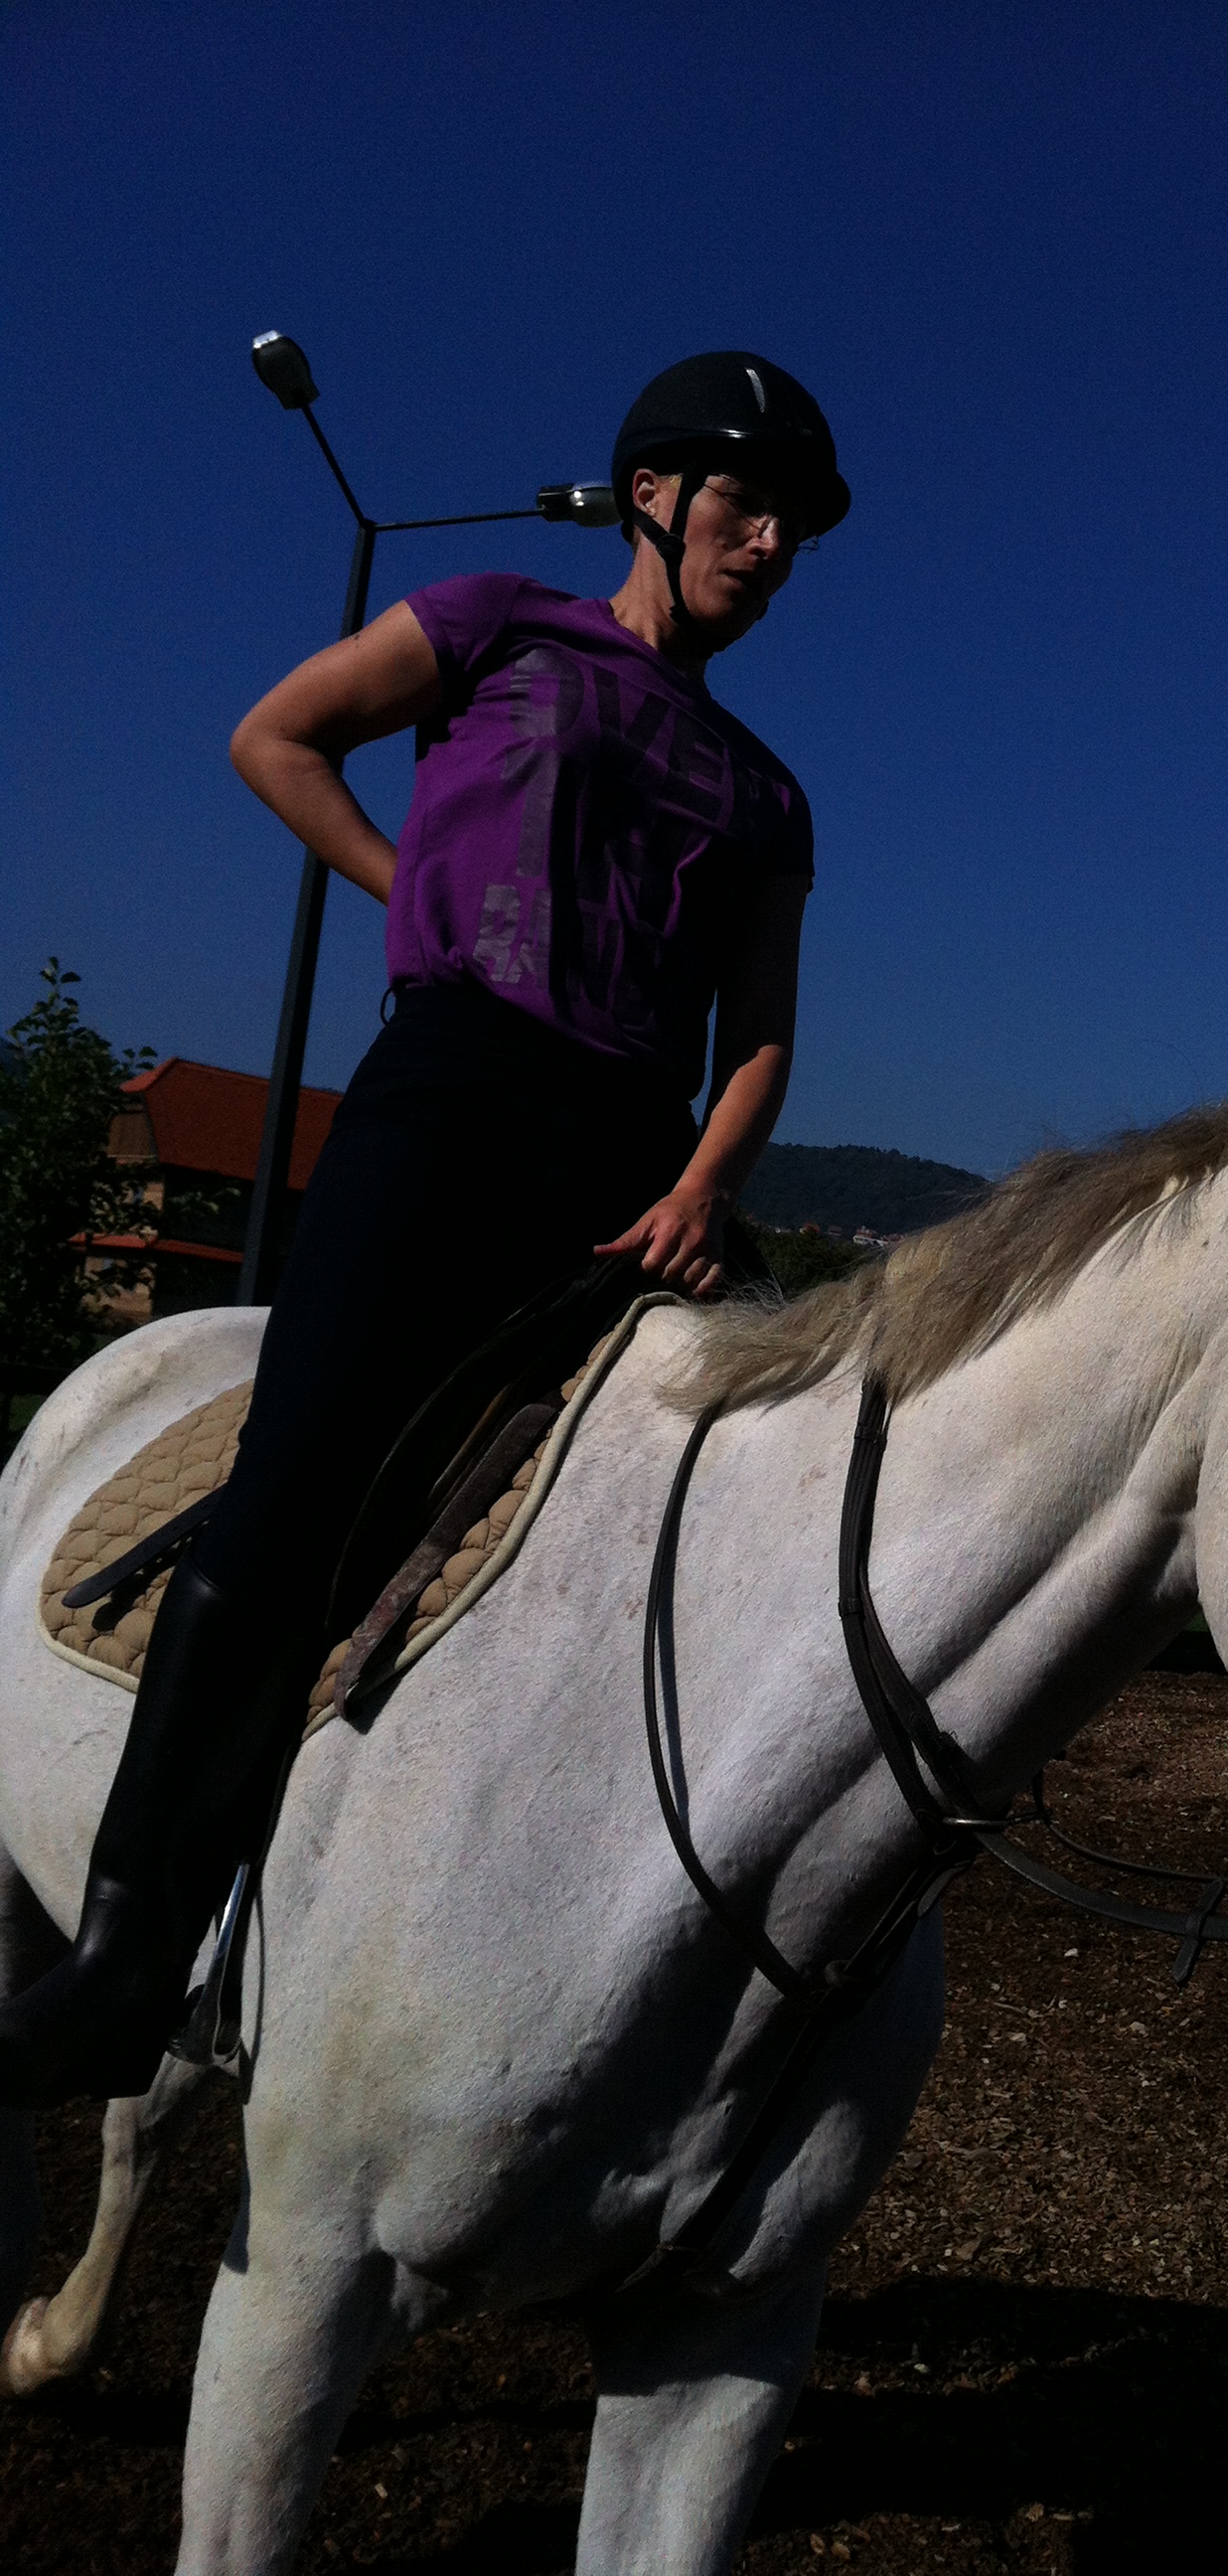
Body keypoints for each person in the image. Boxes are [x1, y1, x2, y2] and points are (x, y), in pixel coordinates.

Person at [0, 351, 849, 2107]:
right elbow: (275, 736)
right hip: (451, 1097)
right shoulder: (493, 621)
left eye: (795, 527)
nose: (772, 545)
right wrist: (416, 896)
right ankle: (126, 1950)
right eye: (746, 505)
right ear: (652, 495)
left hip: (639, 1167)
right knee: (302, 1476)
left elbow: (759, 1036)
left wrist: (704, 1188)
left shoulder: (771, 794)